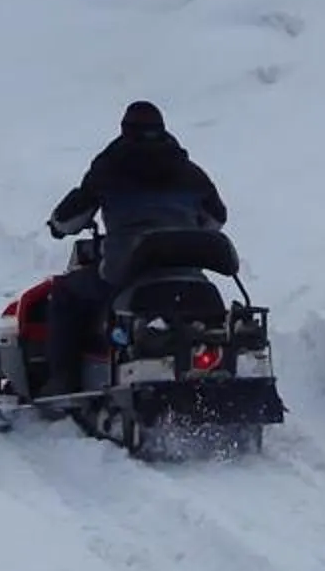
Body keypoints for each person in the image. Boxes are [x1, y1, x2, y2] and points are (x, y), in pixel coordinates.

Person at [40, 101, 226, 397]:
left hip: (126, 272)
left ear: (125, 131)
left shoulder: (110, 168)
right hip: (187, 273)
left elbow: (69, 218)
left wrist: (57, 226)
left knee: (65, 292)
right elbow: (216, 219)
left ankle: (63, 381)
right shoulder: (191, 173)